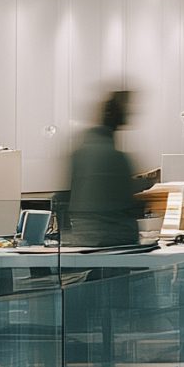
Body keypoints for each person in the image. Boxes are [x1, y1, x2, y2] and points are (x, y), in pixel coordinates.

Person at [64, 89, 150, 248]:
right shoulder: (116, 157)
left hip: (87, 238)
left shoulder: (80, 152)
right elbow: (125, 202)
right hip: (113, 238)